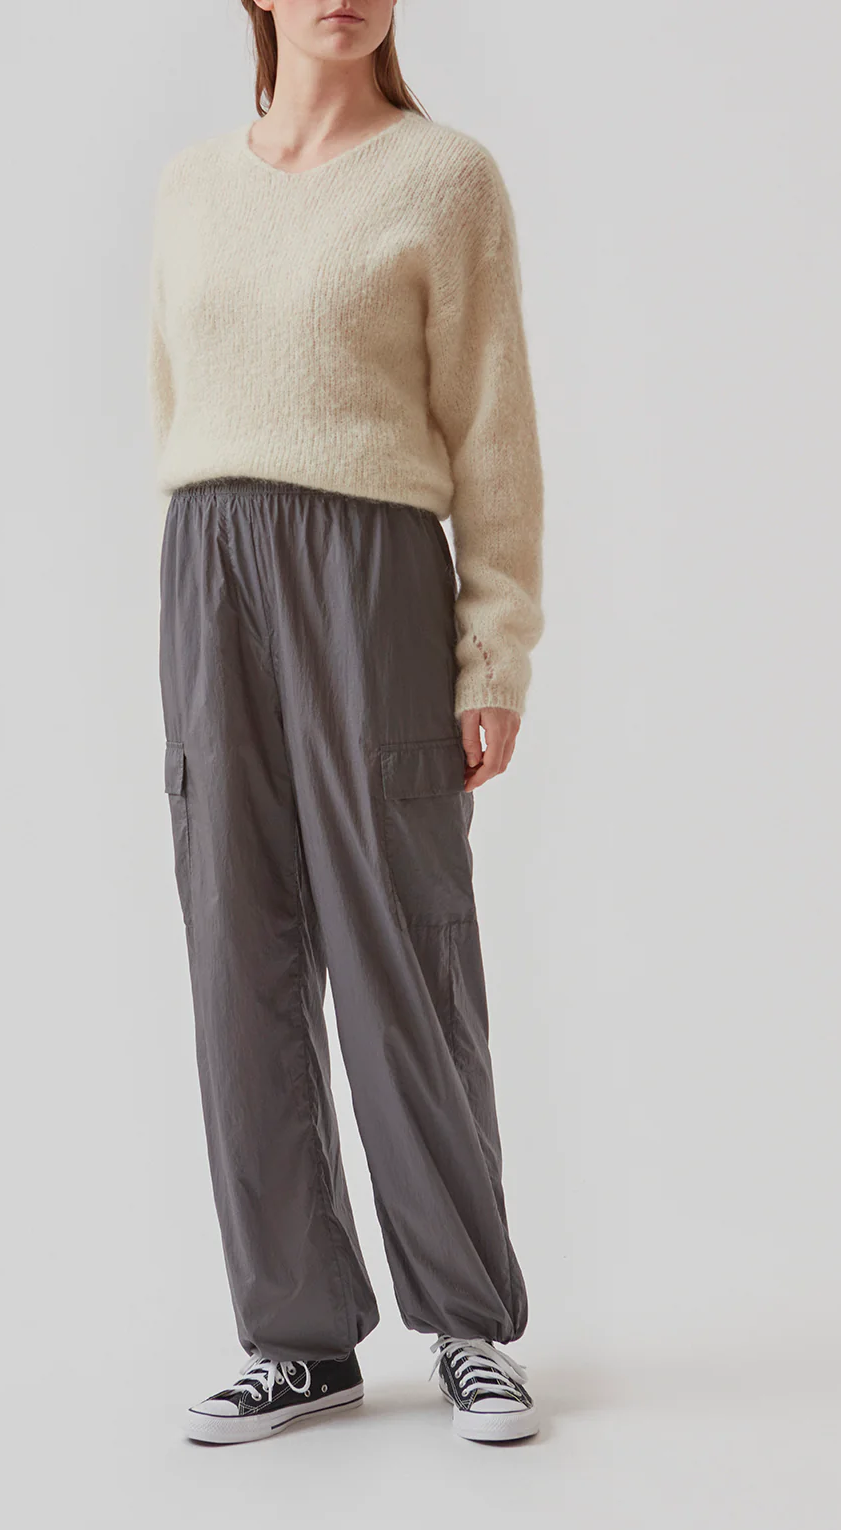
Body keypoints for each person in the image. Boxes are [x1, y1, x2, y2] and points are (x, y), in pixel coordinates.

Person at [147, 0, 545, 1445]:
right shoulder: (194, 184)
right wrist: (215, 571)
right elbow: (176, 401)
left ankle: (467, 1323)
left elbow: (494, 427)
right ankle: (299, 1338)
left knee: (401, 940)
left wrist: (491, 650)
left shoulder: (445, 178)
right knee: (235, 942)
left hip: (371, 570)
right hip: (210, 563)